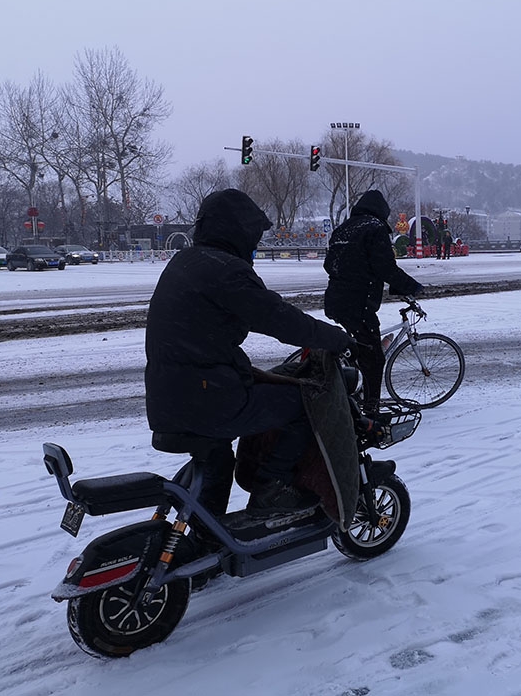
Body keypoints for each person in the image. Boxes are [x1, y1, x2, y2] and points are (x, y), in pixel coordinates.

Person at [144, 188, 354, 517]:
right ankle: (273, 486)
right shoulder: (225, 270)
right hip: (207, 399)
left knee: (217, 459)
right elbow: (279, 319)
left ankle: (205, 539)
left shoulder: (185, 261)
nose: (255, 245)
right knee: (305, 405)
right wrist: (336, 339)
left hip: (168, 398)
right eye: (254, 236)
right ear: (238, 231)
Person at [324, 189, 423, 412]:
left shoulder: (343, 229)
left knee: (357, 349)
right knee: (374, 360)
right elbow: (385, 267)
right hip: (358, 305)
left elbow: (330, 264)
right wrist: (413, 287)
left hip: (334, 300)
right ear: (382, 212)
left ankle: (353, 390)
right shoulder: (375, 229)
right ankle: (370, 409)